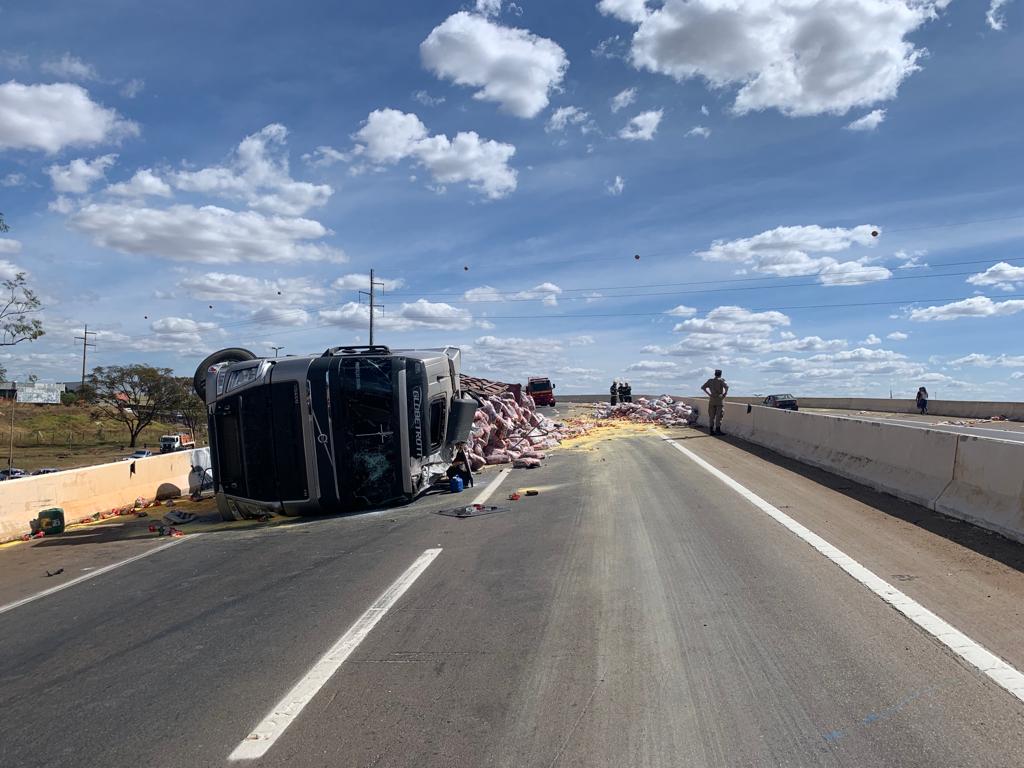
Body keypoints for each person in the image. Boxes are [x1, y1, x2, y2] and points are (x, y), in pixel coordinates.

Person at [701, 369, 729, 435]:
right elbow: (727, 387)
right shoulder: (721, 380)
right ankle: (718, 430)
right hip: (719, 399)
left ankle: (711, 431)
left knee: (711, 416)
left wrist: (709, 394)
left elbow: (703, 387)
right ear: (720, 374)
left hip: (712, 399)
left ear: (715, 374)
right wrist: (724, 394)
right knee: (719, 416)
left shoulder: (710, 381)